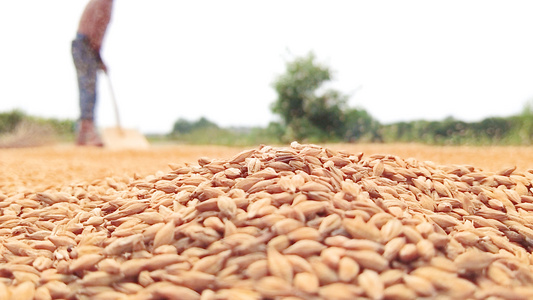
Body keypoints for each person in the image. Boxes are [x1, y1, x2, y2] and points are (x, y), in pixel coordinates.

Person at [72, 0, 114, 146]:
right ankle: (88, 131)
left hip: (83, 43)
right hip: (85, 44)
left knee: (87, 86)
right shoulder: (105, 1)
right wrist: (98, 55)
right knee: (88, 87)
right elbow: (97, 27)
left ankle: (83, 135)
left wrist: (99, 58)